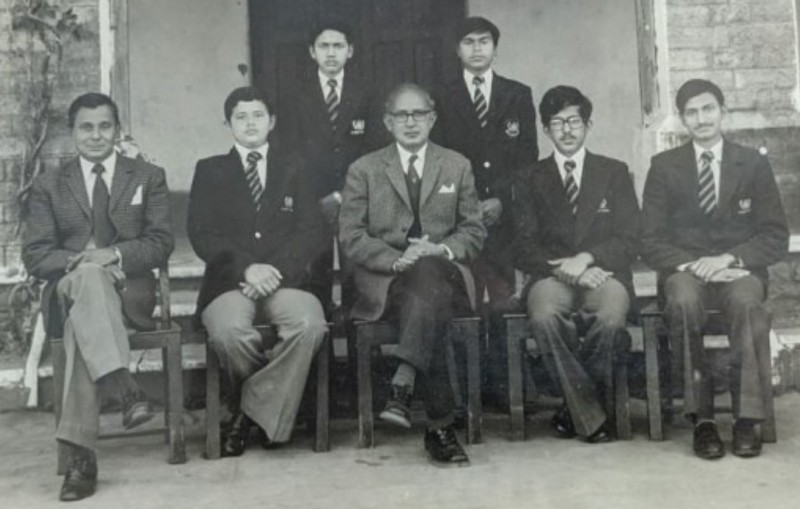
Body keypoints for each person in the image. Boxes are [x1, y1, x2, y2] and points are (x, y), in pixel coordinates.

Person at [22, 92, 174, 501]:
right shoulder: (49, 185)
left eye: (104, 126)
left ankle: (80, 460)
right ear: (73, 133)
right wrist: (81, 262)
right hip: (70, 286)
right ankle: (125, 388)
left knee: (78, 333)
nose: (95, 135)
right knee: (87, 279)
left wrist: (115, 254)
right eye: (86, 127)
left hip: (130, 290)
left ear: (117, 129)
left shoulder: (146, 176)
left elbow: (161, 243)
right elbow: (36, 255)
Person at [339, 83, 486, 464]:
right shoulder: (364, 169)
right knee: (427, 295)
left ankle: (403, 385)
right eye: (401, 115)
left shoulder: (457, 165)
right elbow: (351, 236)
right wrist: (394, 259)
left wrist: (440, 249)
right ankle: (439, 428)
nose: (410, 122)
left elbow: (473, 230)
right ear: (388, 122)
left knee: (430, 275)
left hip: (443, 270)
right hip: (386, 280)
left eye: (418, 114)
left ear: (432, 118)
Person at [641, 79, 788, 459]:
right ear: (682, 119)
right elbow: (650, 238)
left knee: (746, 303)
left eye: (708, 109)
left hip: (737, 271)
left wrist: (728, 260)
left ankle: (746, 418)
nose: (701, 118)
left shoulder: (752, 164)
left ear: (723, 112)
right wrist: (695, 266)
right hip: (686, 271)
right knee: (684, 300)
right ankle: (702, 419)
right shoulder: (664, 167)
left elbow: (774, 236)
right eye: (692, 112)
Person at [187, 86, 327, 458]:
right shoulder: (210, 170)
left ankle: (245, 414)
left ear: (272, 121)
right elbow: (202, 233)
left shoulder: (296, 165)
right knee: (230, 332)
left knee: (310, 325)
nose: (250, 124)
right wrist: (247, 268)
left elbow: (312, 229)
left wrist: (275, 270)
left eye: (258, 115)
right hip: (230, 283)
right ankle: (269, 412)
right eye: (241, 117)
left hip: (287, 280)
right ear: (228, 123)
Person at [514, 85, 640, 443]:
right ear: (546, 130)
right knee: (544, 316)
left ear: (588, 124)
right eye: (557, 123)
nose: (566, 130)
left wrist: (587, 259)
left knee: (612, 318)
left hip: (604, 273)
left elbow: (631, 237)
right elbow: (522, 244)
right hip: (552, 276)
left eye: (574, 121)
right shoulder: (528, 178)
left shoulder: (614, 172)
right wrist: (562, 267)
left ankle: (575, 409)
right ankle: (592, 412)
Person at [431, 16, 538, 404]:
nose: (477, 49)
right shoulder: (441, 96)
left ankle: (507, 387)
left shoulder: (517, 94)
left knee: (504, 298)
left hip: (503, 217)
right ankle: (469, 390)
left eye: (484, 42)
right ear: (457, 49)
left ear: (495, 47)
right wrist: (466, 205)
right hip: (460, 218)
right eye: (469, 42)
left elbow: (528, 160)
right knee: (466, 298)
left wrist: (501, 200)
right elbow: (438, 159)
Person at [280, 21, 380, 312]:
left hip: (357, 200)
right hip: (312, 201)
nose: (331, 53)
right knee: (314, 275)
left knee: (356, 278)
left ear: (350, 51)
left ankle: (354, 352)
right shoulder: (294, 95)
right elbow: (290, 152)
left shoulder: (368, 92)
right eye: (324, 46)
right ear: (312, 52)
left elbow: (374, 149)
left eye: (338, 46)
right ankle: (320, 351)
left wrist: (345, 194)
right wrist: (319, 196)